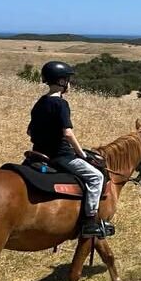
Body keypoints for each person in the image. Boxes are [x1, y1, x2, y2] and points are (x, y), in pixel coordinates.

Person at [28, 61, 107, 238]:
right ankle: (90, 222)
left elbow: (30, 131)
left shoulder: (40, 102)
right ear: (62, 81)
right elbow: (68, 133)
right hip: (61, 156)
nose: (69, 83)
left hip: (38, 153)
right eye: (68, 79)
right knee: (96, 177)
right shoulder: (61, 104)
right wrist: (82, 154)